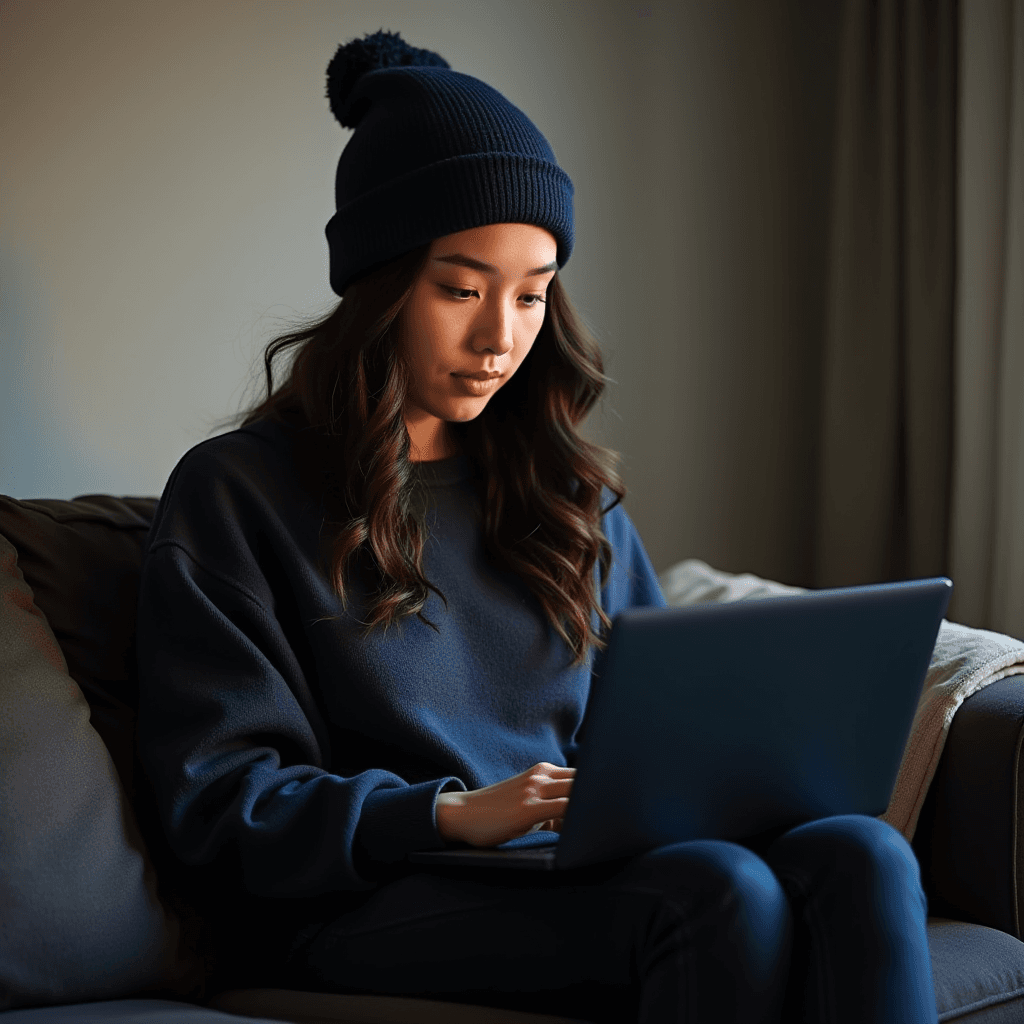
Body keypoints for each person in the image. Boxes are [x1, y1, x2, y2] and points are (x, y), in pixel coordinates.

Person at [135, 29, 939, 1024]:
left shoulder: (567, 494)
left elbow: (656, 726)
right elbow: (221, 801)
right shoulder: (236, 495)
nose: (500, 337)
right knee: (718, 893)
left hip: (565, 868)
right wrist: (443, 812)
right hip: (361, 900)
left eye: (533, 291)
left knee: (860, 853)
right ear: (378, 284)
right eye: (461, 289)